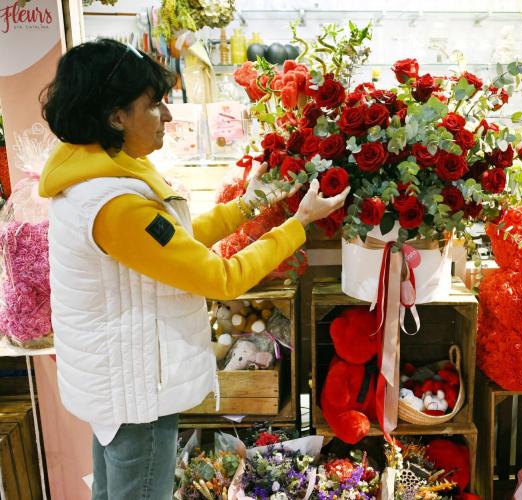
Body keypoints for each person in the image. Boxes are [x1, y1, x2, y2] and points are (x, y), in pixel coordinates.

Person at [38, 38, 348, 500]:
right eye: (153, 104)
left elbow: (172, 240)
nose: (167, 115)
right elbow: (221, 278)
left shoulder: (95, 175)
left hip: (120, 385)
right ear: (115, 117)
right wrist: (298, 223)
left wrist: (248, 204)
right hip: (135, 396)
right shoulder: (115, 204)